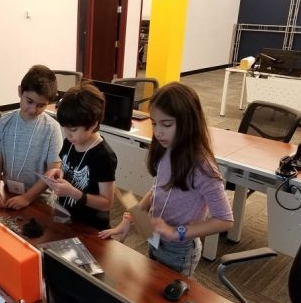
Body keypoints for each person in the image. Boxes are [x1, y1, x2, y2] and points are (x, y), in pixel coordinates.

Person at [98, 82, 233, 276]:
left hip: (180, 250)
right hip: (155, 239)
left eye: (166, 124)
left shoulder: (202, 168)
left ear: (188, 122)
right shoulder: (166, 150)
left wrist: (175, 232)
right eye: (154, 123)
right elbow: (157, 190)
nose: (158, 132)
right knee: (150, 290)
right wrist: (129, 219)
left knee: (170, 301)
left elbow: (225, 221)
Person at [0, 65, 63, 210]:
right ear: (20, 91)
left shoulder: (52, 129)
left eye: (41, 105)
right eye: (29, 101)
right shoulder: (4, 122)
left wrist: (27, 198)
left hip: (40, 201)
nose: (33, 109)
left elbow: (52, 171)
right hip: (8, 194)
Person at [45, 81, 117, 230]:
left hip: (90, 226)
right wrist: (58, 173)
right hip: (66, 216)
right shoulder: (70, 141)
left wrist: (74, 193)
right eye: (64, 127)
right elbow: (68, 167)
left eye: (73, 129)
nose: (67, 134)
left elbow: (107, 203)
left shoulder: (103, 157)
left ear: (92, 125)